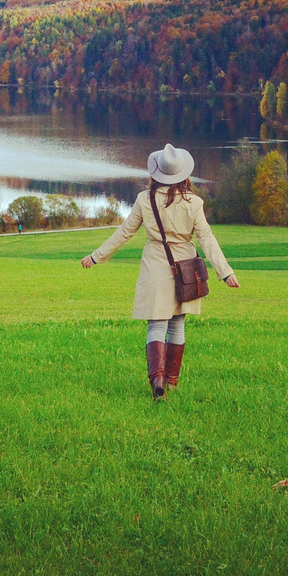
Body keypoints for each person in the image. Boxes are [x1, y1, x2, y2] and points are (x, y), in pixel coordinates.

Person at [81, 143, 239, 399]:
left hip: (156, 266)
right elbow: (207, 239)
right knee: (177, 325)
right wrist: (225, 272)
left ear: (157, 173)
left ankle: (157, 381)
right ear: (183, 174)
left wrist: (96, 257)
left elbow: (124, 233)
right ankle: (172, 381)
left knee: (156, 325)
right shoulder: (194, 203)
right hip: (186, 270)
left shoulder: (146, 200)